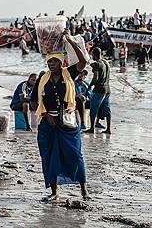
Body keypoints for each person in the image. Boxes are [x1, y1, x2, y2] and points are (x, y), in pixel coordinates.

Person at [30, 30, 88, 201]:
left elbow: (83, 61)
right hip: (48, 125)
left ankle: (83, 188)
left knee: (75, 155)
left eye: (56, 61)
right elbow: (34, 103)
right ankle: (54, 192)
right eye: (50, 61)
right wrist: (46, 115)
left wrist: (69, 40)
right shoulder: (42, 79)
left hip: (68, 123)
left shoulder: (68, 73)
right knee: (49, 156)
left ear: (62, 62)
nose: (52, 64)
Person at [84, 47, 112, 134]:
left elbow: (95, 78)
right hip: (107, 89)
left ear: (94, 54)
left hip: (99, 90)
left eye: (92, 54)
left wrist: (90, 86)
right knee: (107, 109)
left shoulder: (97, 64)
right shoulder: (106, 62)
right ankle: (108, 129)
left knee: (93, 109)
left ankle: (91, 128)